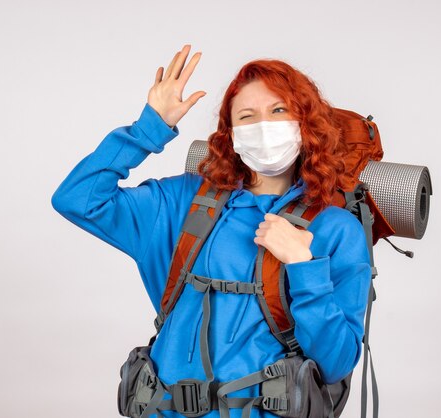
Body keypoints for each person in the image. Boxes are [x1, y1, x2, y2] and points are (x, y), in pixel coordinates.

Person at [51, 44, 371, 417]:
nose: (264, 127)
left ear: (305, 124)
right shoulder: (182, 203)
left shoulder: (335, 230)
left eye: (278, 111)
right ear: (231, 134)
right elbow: (77, 198)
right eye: (247, 116)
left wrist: (304, 265)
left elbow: (336, 362)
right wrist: (149, 128)